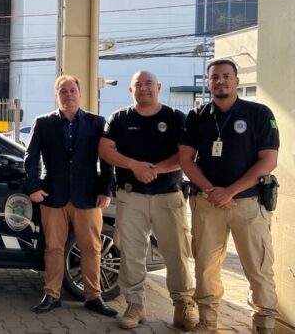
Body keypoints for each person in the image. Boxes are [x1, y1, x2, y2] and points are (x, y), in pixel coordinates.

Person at [179, 59, 280, 334]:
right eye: (214, 77)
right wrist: (213, 191)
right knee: (205, 267)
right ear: (208, 82)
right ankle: (207, 322)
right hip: (208, 203)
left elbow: (268, 161)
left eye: (226, 76)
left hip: (247, 203)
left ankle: (264, 324)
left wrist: (230, 191)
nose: (220, 81)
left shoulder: (259, 113)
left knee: (258, 267)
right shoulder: (198, 115)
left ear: (236, 80)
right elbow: (186, 159)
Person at [99, 71, 197, 330]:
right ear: (131, 91)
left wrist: (154, 170)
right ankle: (135, 305)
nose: (143, 88)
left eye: (148, 84)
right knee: (132, 253)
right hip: (131, 196)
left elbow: (186, 154)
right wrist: (134, 165)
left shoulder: (176, 118)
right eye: (138, 85)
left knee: (177, 252)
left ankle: (183, 304)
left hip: (169, 195)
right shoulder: (119, 118)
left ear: (159, 87)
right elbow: (105, 150)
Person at [24, 75, 117, 317]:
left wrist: (105, 189)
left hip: (87, 197)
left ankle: (93, 297)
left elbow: (107, 159)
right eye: (63, 91)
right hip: (53, 196)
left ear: (80, 92)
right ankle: (52, 295)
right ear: (57, 95)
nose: (68, 95)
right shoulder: (43, 123)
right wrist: (33, 187)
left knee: (91, 248)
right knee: (53, 249)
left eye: (72, 90)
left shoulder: (97, 123)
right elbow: (31, 157)